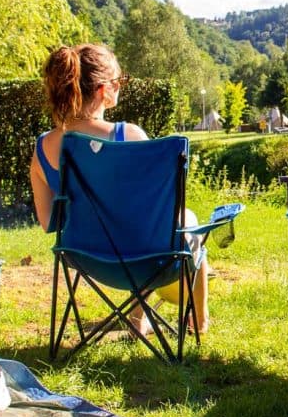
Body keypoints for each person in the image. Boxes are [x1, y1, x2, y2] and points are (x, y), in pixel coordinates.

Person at [29, 44, 210, 334]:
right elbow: (156, 213)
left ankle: (139, 320)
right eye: (119, 81)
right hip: (148, 261)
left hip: (85, 258)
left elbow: (49, 222)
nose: (120, 87)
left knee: (141, 229)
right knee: (188, 220)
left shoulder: (43, 148)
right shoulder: (129, 135)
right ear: (103, 89)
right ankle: (199, 321)